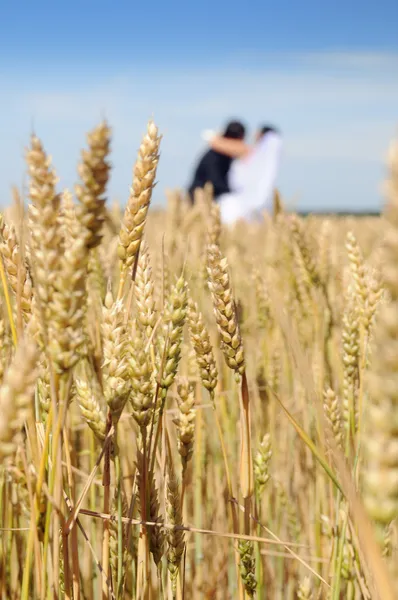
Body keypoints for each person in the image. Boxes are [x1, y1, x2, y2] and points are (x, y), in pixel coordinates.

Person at [207, 124, 283, 224]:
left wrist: (216, 135)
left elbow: (215, 142)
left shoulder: (251, 152)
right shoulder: (264, 158)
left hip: (240, 199)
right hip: (255, 201)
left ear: (261, 135)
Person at [188, 120, 246, 203]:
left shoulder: (225, 155)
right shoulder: (215, 156)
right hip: (201, 198)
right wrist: (232, 194)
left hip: (211, 199)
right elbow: (214, 181)